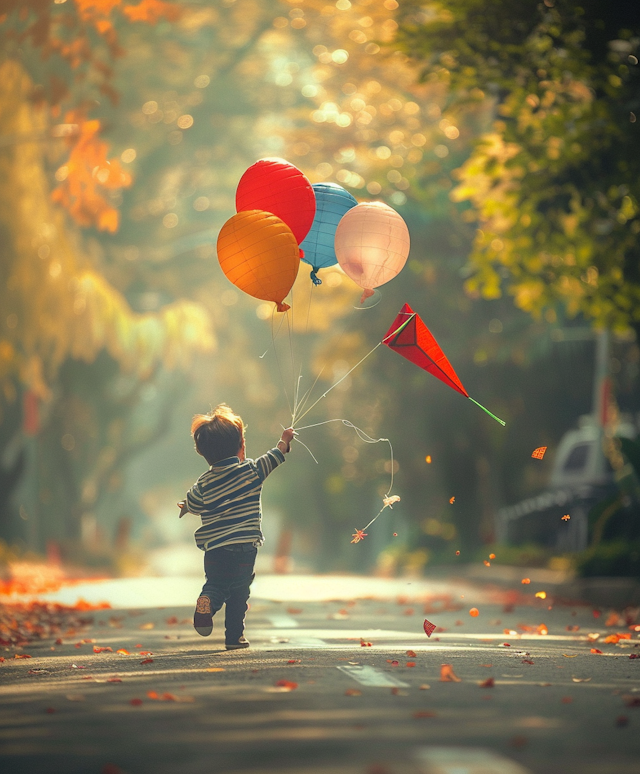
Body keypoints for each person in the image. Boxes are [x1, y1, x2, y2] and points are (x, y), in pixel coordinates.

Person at [178, 404, 294, 649]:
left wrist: (185, 507)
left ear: (203, 452)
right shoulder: (252, 470)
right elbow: (275, 456)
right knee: (239, 592)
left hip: (215, 550)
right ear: (241, 445)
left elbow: (193, 502)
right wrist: (284, 440)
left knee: (216, 584)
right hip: (244, 547)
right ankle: (234, 637)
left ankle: (206, 600)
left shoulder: (204, 483)